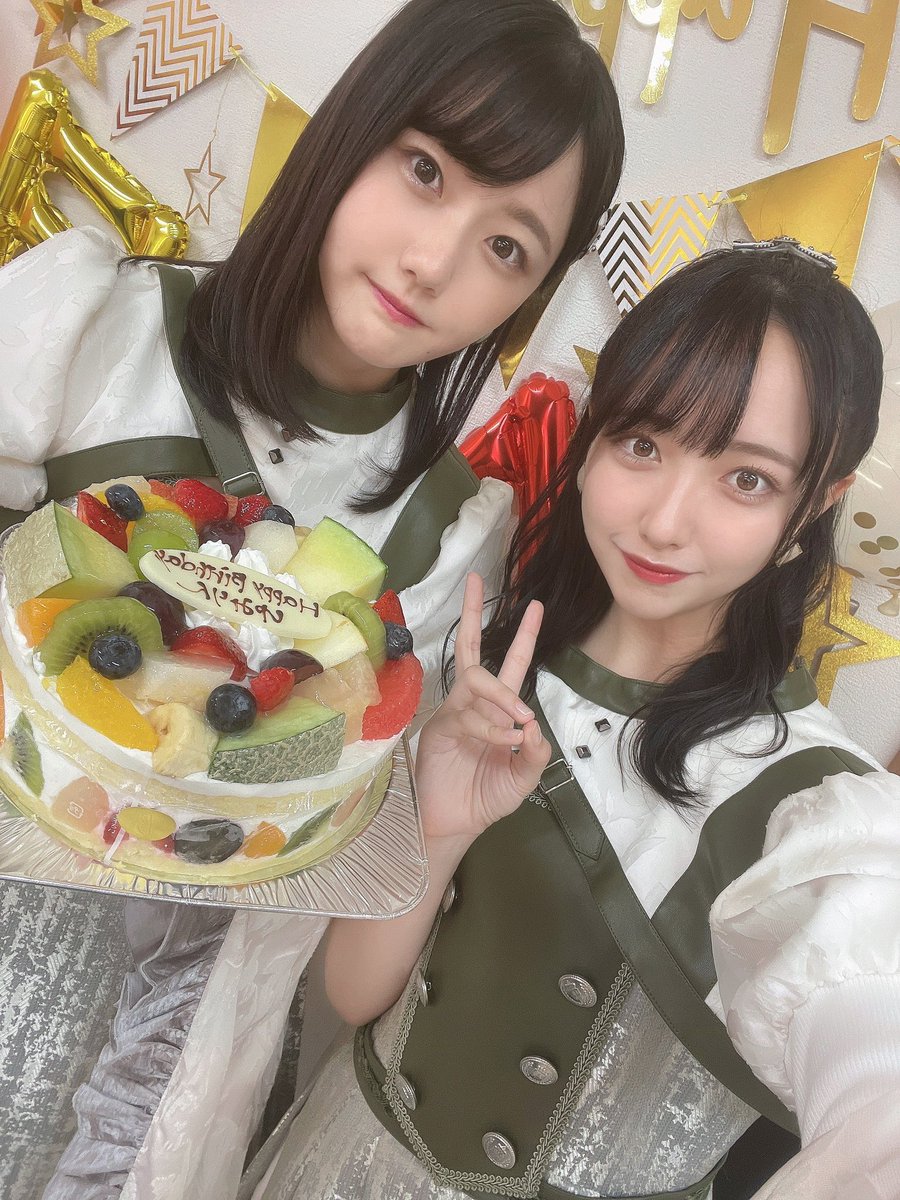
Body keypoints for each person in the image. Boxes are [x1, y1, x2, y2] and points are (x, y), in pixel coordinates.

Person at [0, 1, 625, 1195]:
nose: (434, 262)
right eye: (426, 171)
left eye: (508, 247)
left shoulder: (452, 536)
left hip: (153, 1078)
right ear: (353, 127)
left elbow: (305, 892)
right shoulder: (95, 324)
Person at [251, 241, 900, 1200]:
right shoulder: (482, 663)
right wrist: (437, 827)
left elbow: (869, 1045)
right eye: (643, 444)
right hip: (342, 1164)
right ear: (594, 439)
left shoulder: (814, 804)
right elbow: (353, 996)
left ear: (816, 505)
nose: (665, 521)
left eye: (747, 479)